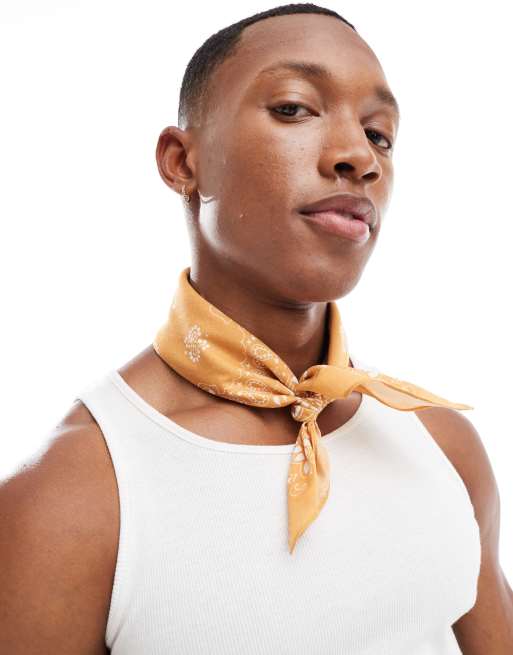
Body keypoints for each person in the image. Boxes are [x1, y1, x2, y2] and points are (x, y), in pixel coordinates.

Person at [1, 3, 512, 654]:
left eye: (379, 134)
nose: (359, 157)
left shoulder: (443, 446)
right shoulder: (70, 497)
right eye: (294, 108)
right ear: (182, 162)